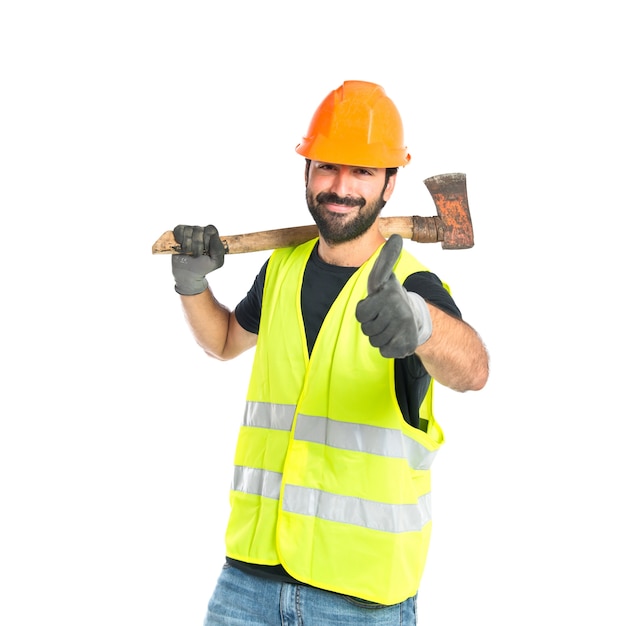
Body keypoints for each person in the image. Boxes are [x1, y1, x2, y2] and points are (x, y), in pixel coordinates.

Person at [170, 80, 489, 625]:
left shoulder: (412, 284)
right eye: (327, 167)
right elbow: (222, 343)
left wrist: (422, 325)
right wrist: (193, 286)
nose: (340, 187)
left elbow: (474, 370)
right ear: (307, 172)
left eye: (362, 171)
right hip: (248, 581)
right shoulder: (282, 270)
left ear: (390, 184)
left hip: (359, 600)